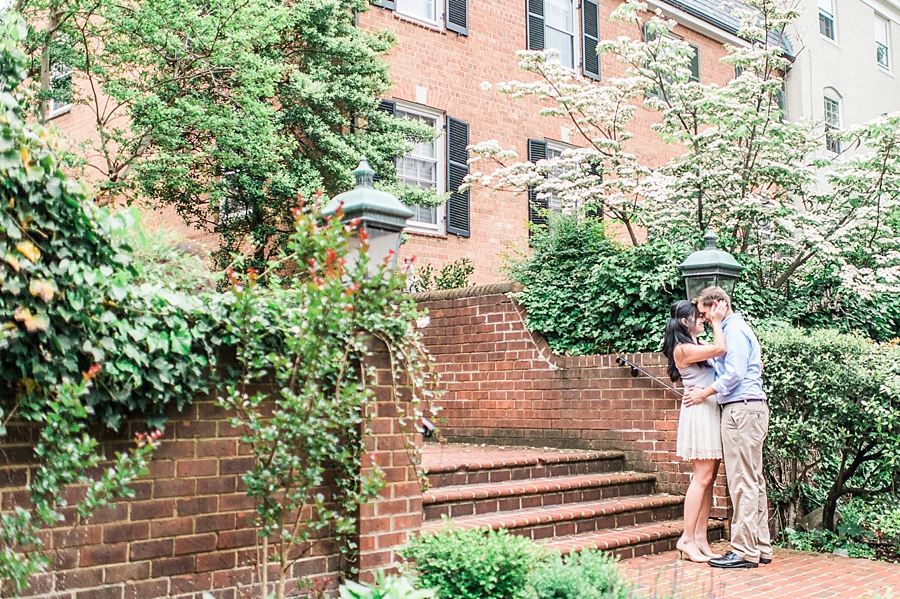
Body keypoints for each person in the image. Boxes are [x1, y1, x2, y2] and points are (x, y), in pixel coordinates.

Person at [683, 286, 774, 569]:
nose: (705, 319)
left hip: (740, 409)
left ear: (718, 305)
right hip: (751, 407)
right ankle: (760, 546)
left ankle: (744, 551)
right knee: (753, 480)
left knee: (742, 481)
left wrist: (704, 392)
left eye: (704, 312)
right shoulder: (736, 328)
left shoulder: (732, 329)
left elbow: (733, 374)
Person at [662, 299, 728, 563]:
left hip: (708, 407)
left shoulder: (696, 345)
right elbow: (722, 348)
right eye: (698, 317)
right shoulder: (683, 349)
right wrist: (717, 320)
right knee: (701, 477)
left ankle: (700, 537)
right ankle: (687, 538)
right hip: (699, 412)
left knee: (709, 478)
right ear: (684, 321)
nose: (702, 319)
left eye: (704, 317)